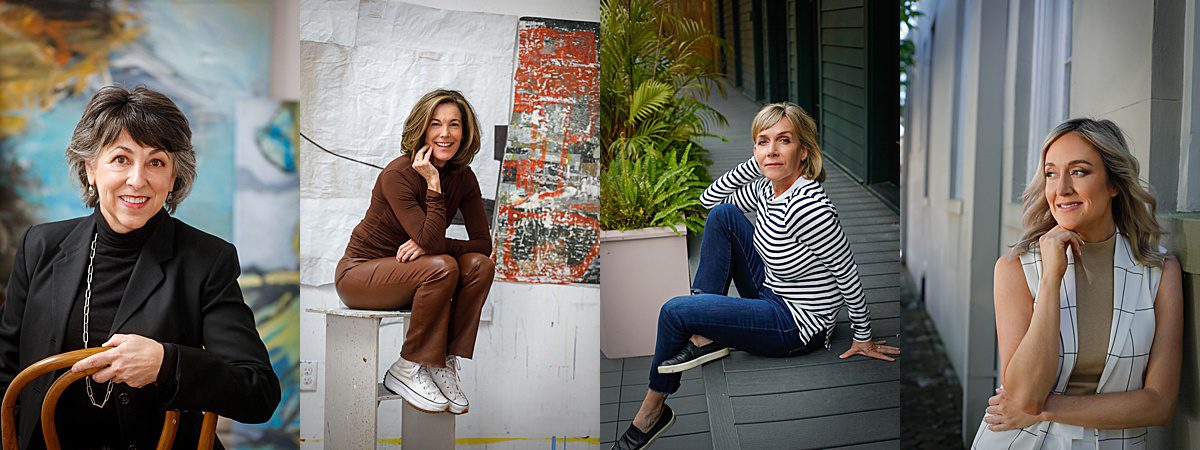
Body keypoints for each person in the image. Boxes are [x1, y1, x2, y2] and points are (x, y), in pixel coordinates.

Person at [0, 86, 281, 449]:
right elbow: (5, 372)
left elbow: (258, 392)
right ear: (90, 170)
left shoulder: (208, 260)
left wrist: (167, 364)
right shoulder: (38, 246)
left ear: (174, 177)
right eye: (120, 159)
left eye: (156, 162)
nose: (137, 179)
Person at [611, 102, 899, 450]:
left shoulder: (811, 209)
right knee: (723, 214)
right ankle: (705, 335)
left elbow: (847, 273)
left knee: (675, 311)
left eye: (784, 141)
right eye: (763, 141)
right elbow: (708, 200)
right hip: (771, 288)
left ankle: (651, 412)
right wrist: (763, 161)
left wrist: (863, 337)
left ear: (804, 152)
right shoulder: (768, 188)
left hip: (794, 324)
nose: (773, 150)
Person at [973, 118, 1182, 449]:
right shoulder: (1016, 268)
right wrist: (1051, 278)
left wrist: (1043, 408)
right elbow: (1024, 390)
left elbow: (1159, 405)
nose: (1062, 189)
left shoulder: (1159, 272)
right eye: (1051, 174)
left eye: (1080, 171)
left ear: (1114, 183)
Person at [334, 89, 494, 415]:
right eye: (436, 124)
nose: (445, 134)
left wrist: (429, 243)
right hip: (360, 274)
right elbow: (434, 248)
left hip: (413, 275)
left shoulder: (464, 178)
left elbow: (482, 244)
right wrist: (433, 186)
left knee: (479, 266)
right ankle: (408, 365)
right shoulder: (399, 175)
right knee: (442, 266)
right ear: (422, 128)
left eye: (454, 125)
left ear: (465, 132)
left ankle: (442, 362)